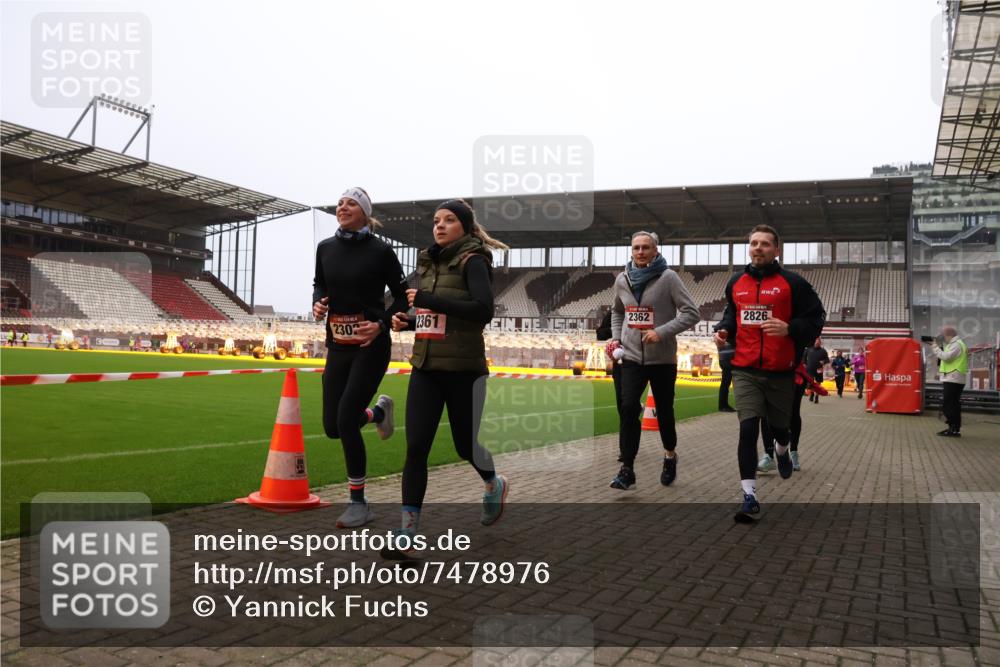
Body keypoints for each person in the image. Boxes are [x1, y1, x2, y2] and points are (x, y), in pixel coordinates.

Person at [382, 199, 509, 559]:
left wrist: (429, 299)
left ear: (464, 227)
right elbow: (433, 315)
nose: (439, 225)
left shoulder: (474, 260)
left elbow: (482, 311)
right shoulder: (428, 263)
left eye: (449, 220)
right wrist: (409, 320)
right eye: (436, 220)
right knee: (416, 448)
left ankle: (493, 483)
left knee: (465, 446)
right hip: (425, 367)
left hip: (464, 370)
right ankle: (408, 534)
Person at [713, 224, 825, 520]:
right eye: (753, 243)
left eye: (764, 243)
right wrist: (723, 330)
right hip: (745, 368)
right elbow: (732, 314)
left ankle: (783, 449)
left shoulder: (793, 283)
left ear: (776, 249)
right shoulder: (736, 282)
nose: (758, 248)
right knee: (748, 429)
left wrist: (790, 328)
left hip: (781, 371)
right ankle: (749, 496)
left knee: (780, 428)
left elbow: (816, 318)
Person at [312, 187, 408, 528]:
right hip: (338, 345)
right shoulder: (325, 248)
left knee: (345, 419)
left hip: (371, 347)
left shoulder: (381, 251)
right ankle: (378, 412)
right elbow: (320, 284)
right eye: (340, 202)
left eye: (351, 203)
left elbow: (403, 298)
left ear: (365, 213)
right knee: (333, 427)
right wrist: (318, 303)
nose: (343, 207)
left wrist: (381, 324)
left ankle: (359, 503)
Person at [607, 231, 700, 490]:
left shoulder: (668, 277)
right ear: (631, 251)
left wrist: (661, 332)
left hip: (662, 359)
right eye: (636, 247)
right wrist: (616, 339)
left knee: (664, 411)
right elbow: (617, 311)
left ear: (655, 250)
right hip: (631, 357)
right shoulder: (622, 279)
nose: (640, 252)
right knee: (628, 408)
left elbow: (692, 313)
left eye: (645, 247)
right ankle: (627, 469)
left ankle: (670, 455)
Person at [758, 361, 827, 473]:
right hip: (770, 371)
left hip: (794, 374)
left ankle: (793, 451)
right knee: (767, 412)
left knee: (793, 413)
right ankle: (769, 455)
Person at [927, 325, 968, 437]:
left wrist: (935, 347)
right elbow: (945, 358)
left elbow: (946, 357)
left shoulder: (956, 345)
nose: (942, 338)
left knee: (949, 404)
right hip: (953, 377)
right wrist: (938, 346)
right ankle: (953, 428)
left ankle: (953, 428)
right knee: (953, 404)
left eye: (943, 335)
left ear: (949, 335)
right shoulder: (954, 344)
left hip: (953, 378)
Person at [596, 308, 623, 416]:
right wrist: (617, 330)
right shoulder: (615, 311)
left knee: (630, 402)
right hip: (621, 364)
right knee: (622, 402)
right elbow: (600, 334)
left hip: (647, 361)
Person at [805, 338, 829, 403]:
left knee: (818, 383)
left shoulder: (823, 351)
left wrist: (823, 362)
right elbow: (803, 357)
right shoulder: (809, 349)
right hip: (810, 369)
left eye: (818, 343)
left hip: (819, 369)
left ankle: (817, 396)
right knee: (810, 382)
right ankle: (812, 394)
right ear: (814, 342)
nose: (817, 344)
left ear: (820, 343)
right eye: (816, 342)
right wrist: (804, 364)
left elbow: (827, 359)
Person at [718, 342, 735, 412]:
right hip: (727, 360)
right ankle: (723, 406)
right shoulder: (727, 337)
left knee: (725, 383)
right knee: (725, 383)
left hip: (725, 359)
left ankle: (723, 405)